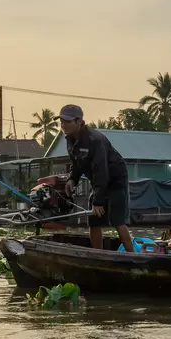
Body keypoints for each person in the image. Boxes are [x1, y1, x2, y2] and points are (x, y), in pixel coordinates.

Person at [55, 104, 135, 253]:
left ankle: (133, 257)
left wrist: (99, 201)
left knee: (117, 220)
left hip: (115, 179)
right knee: (94, 220)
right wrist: (72, 179)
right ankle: (97, 255)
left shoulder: (95, 140)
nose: (63, 125)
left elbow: (101, 170)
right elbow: (76, 163)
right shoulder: (70, 139)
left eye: (67, 121)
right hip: (98, 181)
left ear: (79, 121)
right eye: (61, 121)